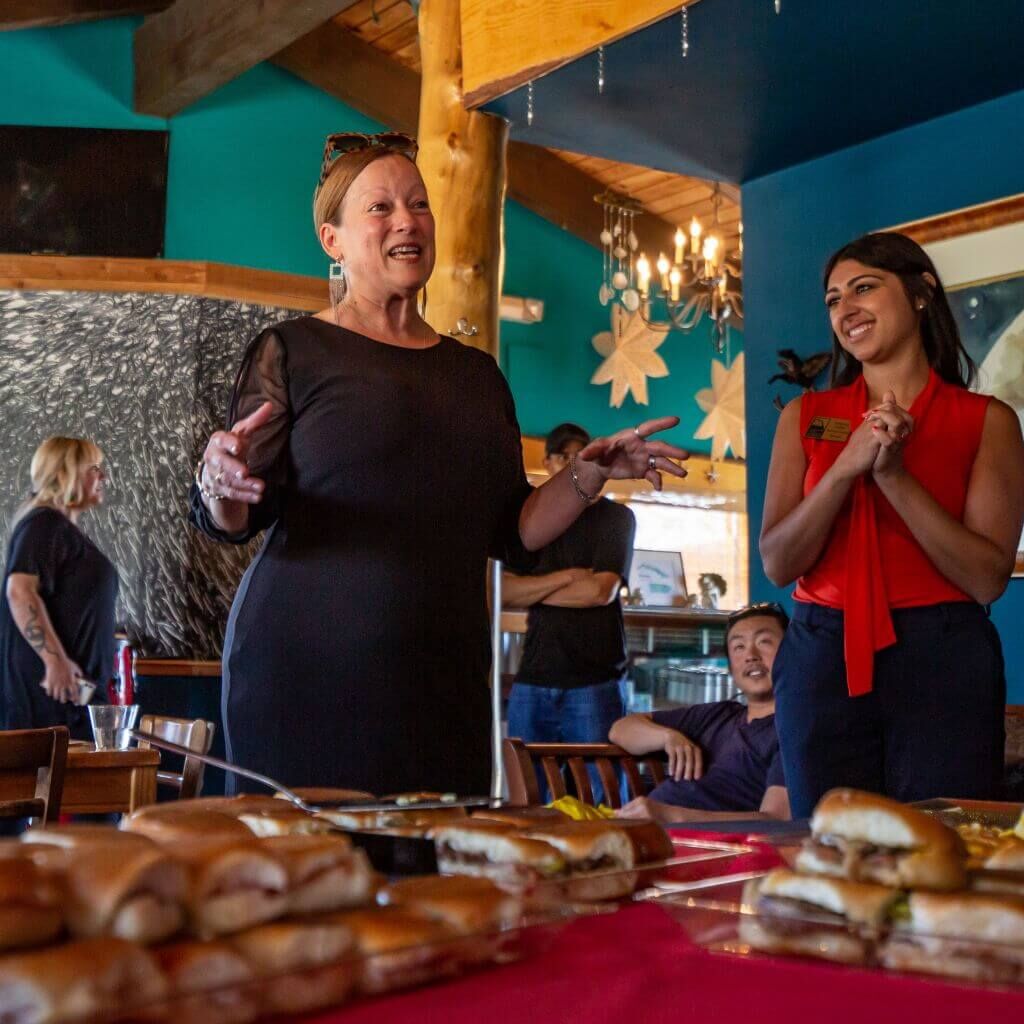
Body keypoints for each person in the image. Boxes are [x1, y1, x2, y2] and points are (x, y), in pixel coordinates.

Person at [189, 131, 688, 797]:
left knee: (433, 878)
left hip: (440, 684)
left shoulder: (477, 376)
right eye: (380, 208)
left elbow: (512, 531)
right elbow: (236, 516)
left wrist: (589, 473)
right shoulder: (293, 351)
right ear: (331, 240)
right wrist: (219, 482)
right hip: (306, 675)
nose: (407, 220)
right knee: (305, 884)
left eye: (419, 204)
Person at [760, 231, 1024, 819]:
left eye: (863, 288)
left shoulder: (988, 420)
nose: (845, 309)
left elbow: (987, 579)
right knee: (827, 849)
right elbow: (778, 563)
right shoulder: (807, 418)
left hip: (944, 658)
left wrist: (894, 476)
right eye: (833, 300)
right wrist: (845, 468)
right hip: (822, 655)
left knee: (946, 845)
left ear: (922, 292)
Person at [503, 423, 636, 775]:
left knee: (600, 796)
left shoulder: (616, 518)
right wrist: (566, 578)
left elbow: (599, 591)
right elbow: (501, 591)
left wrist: (534, 588)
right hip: (533, 678)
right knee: (529, 796)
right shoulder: (529, 522)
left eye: (579, 456)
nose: (571, 464)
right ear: (547, 462)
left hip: (595, 681)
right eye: (563, 456)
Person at [612, 603, 791, 824]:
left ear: (792, 653)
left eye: (764, 642)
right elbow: (620, 729)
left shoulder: (791, 732)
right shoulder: (719, 714)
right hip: (646, 828)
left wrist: (670, 816)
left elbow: (776, 821)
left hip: (695, 845)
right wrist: (669, 737)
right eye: (738, 647)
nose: (750, 655)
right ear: (731, 668)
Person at [1, 437, 115, 738]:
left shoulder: (58, 529)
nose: (103, 476)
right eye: (95, 468)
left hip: (71, 707)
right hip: (53, 712)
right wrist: (55, 662)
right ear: (67, 472)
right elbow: (19, 591)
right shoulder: (43, 523)